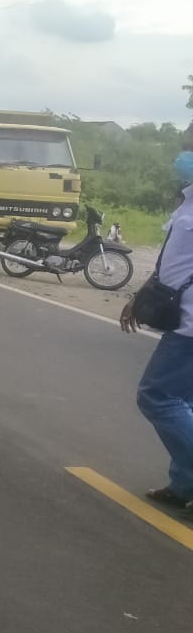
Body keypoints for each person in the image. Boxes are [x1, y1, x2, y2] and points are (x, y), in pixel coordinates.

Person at [122, 125, 193, 511]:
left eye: (190, 147)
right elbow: (174, 259)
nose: (184, 155)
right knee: (184, 401)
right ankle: (183, 485)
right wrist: (141, 294)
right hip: (180, 314)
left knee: (157, 397)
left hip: (191, 327)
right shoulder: (187, 201)